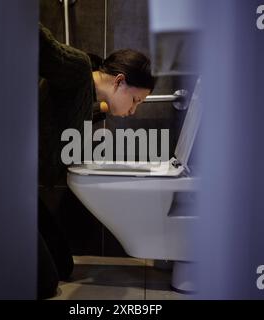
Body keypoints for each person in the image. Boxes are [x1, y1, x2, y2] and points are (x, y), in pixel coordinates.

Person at [37, 23, 155, 299]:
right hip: (7, 181)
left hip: (28, 190)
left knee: (64, 267)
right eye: (135, 100)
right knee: (44, 285)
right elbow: (41, 42)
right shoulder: (78, 70)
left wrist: (105, 107)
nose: (134, 109)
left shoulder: (85, 92)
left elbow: (77, 111)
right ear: (119, 81)